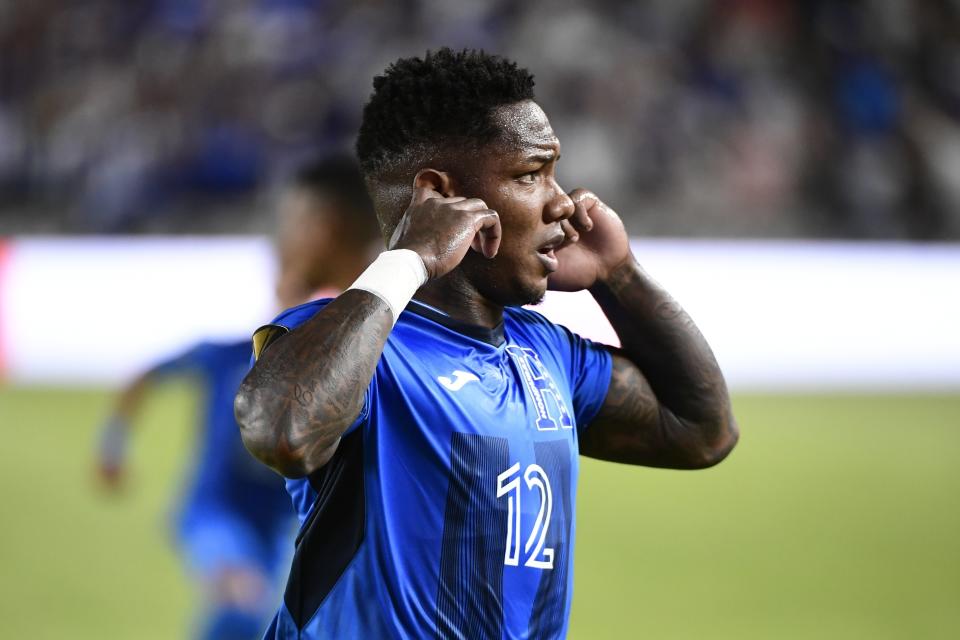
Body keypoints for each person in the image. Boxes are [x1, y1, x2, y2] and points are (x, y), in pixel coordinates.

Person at [236, 48, 739, 640]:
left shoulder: (546, 353)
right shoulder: (350, 345)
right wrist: (410, 257)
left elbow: (702, 430)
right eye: (530, 175)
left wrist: (618, 273)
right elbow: (282, 432)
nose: (563, 202)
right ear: (441, 196)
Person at [96, 154, 379, 640]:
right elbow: (142, 377)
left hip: (276, 530)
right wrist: (113, 443)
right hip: (214, 513)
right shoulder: (224, 354)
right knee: (240, 601)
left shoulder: (343, 362)